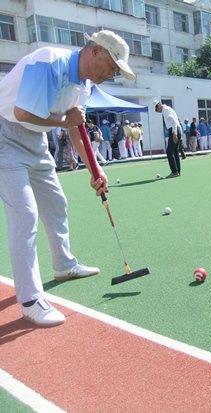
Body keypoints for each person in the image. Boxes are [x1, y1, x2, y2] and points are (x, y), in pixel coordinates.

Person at [0, 29, 135, 327]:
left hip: (36, 141)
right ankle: (31, 300)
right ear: (96, 51)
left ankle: (63, 264)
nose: (112, 74)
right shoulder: (49, 62)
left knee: (56, 202)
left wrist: (95, 170)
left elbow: (76, 128)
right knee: (25, 213)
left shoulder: (84, 86)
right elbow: (22, 113)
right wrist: (64, 121)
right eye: (113, 67)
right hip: (4, 136)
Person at [154, 100, 182, 178]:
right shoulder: (168, 109)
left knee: (169, 151)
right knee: (175, 151)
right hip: (177, 129)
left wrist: (174, 133)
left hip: (174, 130)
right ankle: (178, 171)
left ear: (159, 105)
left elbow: (173, 122)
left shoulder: (166, 110)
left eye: (156, 109)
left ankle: (174, 172)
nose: (157, 111)